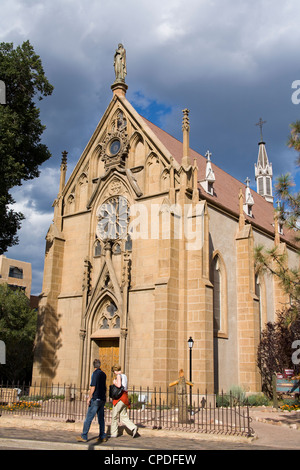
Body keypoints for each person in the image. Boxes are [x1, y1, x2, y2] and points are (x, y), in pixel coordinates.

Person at [77, 359, 107, 443]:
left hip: (96, 399)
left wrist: (89, 397)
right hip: (102, 398)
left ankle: (84, 436)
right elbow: (104, 387)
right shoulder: (104, 374)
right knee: (101, 419)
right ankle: (102, 436)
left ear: (93, 366)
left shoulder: (95, 374)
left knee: (88, 418)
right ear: (99, 365)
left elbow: (93, 386)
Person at [110, 364, 138, 438]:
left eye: (114, 372)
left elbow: (119, 386)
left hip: (120, 398)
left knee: (114, 416)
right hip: (125, 398)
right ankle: (133, 427)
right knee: (123, 416)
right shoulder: (124, 376)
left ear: (115, 371)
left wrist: (114, 382)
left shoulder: (119, 376)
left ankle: (114, 433)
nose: (114, 373)